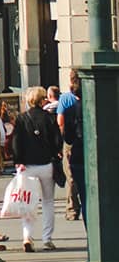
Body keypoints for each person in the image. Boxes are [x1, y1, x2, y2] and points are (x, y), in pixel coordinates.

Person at [9, 84, 61, 251]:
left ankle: (27, 236)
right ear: (41, 99)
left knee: (28, 202)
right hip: (46, 164)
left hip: (27, 166)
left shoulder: (22, 119)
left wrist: (18, 160)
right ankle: (47, 238)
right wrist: (55, 152)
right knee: (48, 201)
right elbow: (57, 141)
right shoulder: (49, 118)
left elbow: (16, 142)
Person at [58, 73, 84, 223]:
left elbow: (60, 122)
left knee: (71, 177)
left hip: (72, 144)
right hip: (82, 142)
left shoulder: (66, 100)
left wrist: (64, 142)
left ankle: (72, 209)